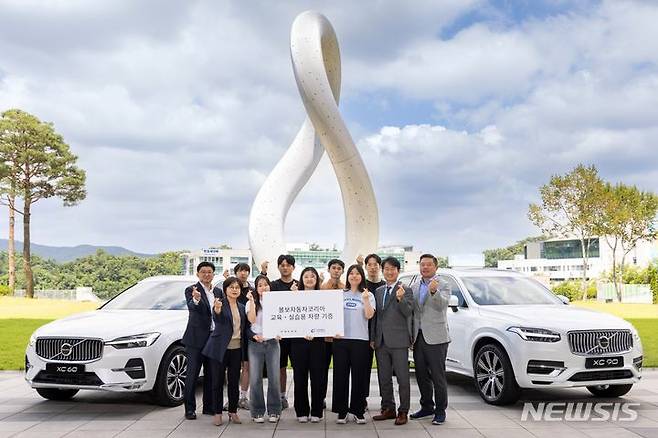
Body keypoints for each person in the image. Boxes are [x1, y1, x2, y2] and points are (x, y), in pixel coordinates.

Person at [370, 256, 414, 425]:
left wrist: (401, 299)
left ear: (398, 271)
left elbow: (408, 312)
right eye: (386, 269)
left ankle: (403, 411)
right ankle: (388, 408)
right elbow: (376, 317)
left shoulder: (405, 289)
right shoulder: (379, 291)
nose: (389, 272)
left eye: (392, 269)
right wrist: (373, 337)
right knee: (384, 377)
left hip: (399, 341)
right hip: (380, 341)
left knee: (403, 379)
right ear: (383, 270)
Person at [202, 277, 251, 426]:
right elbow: (217, 317)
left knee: (233, 383)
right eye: (231, 287)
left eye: (237, 287)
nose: (235, 289)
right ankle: (217, 413)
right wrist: (216, 309)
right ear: (225, 290)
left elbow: (245, 329)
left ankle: (232, 411)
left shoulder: (242, 307)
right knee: (217, 382)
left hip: (236, 350)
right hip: (219, 349)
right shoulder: (220, 304)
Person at [409, 254, 451, 425]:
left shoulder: (444, 284)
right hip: (418, 337)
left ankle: (440, 411)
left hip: (436, 337)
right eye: (422, 264)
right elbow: (413, 311)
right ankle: (427, 406)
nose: (425, 267)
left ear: (436, 267)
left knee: (438, 375)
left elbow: (442, 305)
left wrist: (434, 292)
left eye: (428, 265)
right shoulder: (415, 285)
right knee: (421, 374)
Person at [332, 264, 375, 424]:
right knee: (340, 376)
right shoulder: (340, 294)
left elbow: (369, 315)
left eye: (357, 273)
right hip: (341, 341)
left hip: (360, 340)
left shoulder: (368, 295)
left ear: (361, 277)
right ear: (347, 276)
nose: (354, 276)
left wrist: (365, 300)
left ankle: (357, 410)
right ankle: (341, 411)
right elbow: (331, 315)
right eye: (351, 273)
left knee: (359, 377)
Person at [181, 261, 223, 420]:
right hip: (196, 340)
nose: (207, 274)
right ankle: (190, 409)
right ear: (198, 274)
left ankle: (209, 407)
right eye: (203, 272)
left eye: (209, 272)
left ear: (213, 274)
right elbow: (192, 306)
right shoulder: (192, 290)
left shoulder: (218, 291)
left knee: (211, 374)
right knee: (192, 375)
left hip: (214, 338)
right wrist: (197, 299)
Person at [290, 267, 326, 422]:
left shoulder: (324, 297)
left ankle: (317, 411)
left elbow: (327, 319)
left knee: (318, 377)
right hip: (298, 342)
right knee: (300, 377)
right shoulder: (294, 296)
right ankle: (302, 411)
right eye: (306, 276)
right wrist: (293, 296)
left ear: (317, 280)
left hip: (318, 342)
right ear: (301, 279)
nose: (310, 279)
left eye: (313, 276)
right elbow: (289, 318)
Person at [246, 275, 282, 423]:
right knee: (255, 379)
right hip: (255, 344)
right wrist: (251, 301)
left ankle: (274, 410)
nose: (263, 287)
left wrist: (281, 333)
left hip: (273, 343)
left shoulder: (276, 302)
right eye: (260, 285)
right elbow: (252, 320)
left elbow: (284, 320)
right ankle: (257, 411)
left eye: (265, 285)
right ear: (256, 288)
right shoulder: (251, 303)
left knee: (274, 378)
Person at [269, 254, 298, 409]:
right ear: (278, 267)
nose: (285, 267)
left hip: (297, 336)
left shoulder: (300, 285)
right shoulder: (273, 286)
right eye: (282, 264)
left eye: (288, 265)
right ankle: (281, 397)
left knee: (299, 368)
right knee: (280, 368)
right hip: (279, 336)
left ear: (293, 267)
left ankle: (302, 398)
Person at [319, 258, 345, 408]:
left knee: (340, 371)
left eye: (339, 268)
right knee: (322, 371)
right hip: (324, 338)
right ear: (329, 270)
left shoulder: (346, 288)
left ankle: (340, 401)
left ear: (342, 271)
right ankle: (321, 397)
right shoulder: (322, 287)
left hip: (340, 337)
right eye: (333, 267)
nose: (336, 270)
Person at [362, 253, 385, 411]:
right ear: (365, 267)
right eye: (369, 264)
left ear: (380, 266)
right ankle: (362, 400)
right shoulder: (361, 284)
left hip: (382, 335)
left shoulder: (385, 285)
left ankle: (386, 402)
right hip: (363, 333)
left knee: (384, 370)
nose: (372, 267)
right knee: (363, 368)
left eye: (375, 264)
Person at [234, 263, 254, 410]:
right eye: (241, 271)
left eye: (246, 271)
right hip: (233, 335)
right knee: (232, 367)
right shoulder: (230, 289)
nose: (243, 273)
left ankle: (243, 397)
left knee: (246, 366)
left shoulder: (251, 291)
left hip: (247, 333)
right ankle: (232, 397)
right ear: (236, 273)